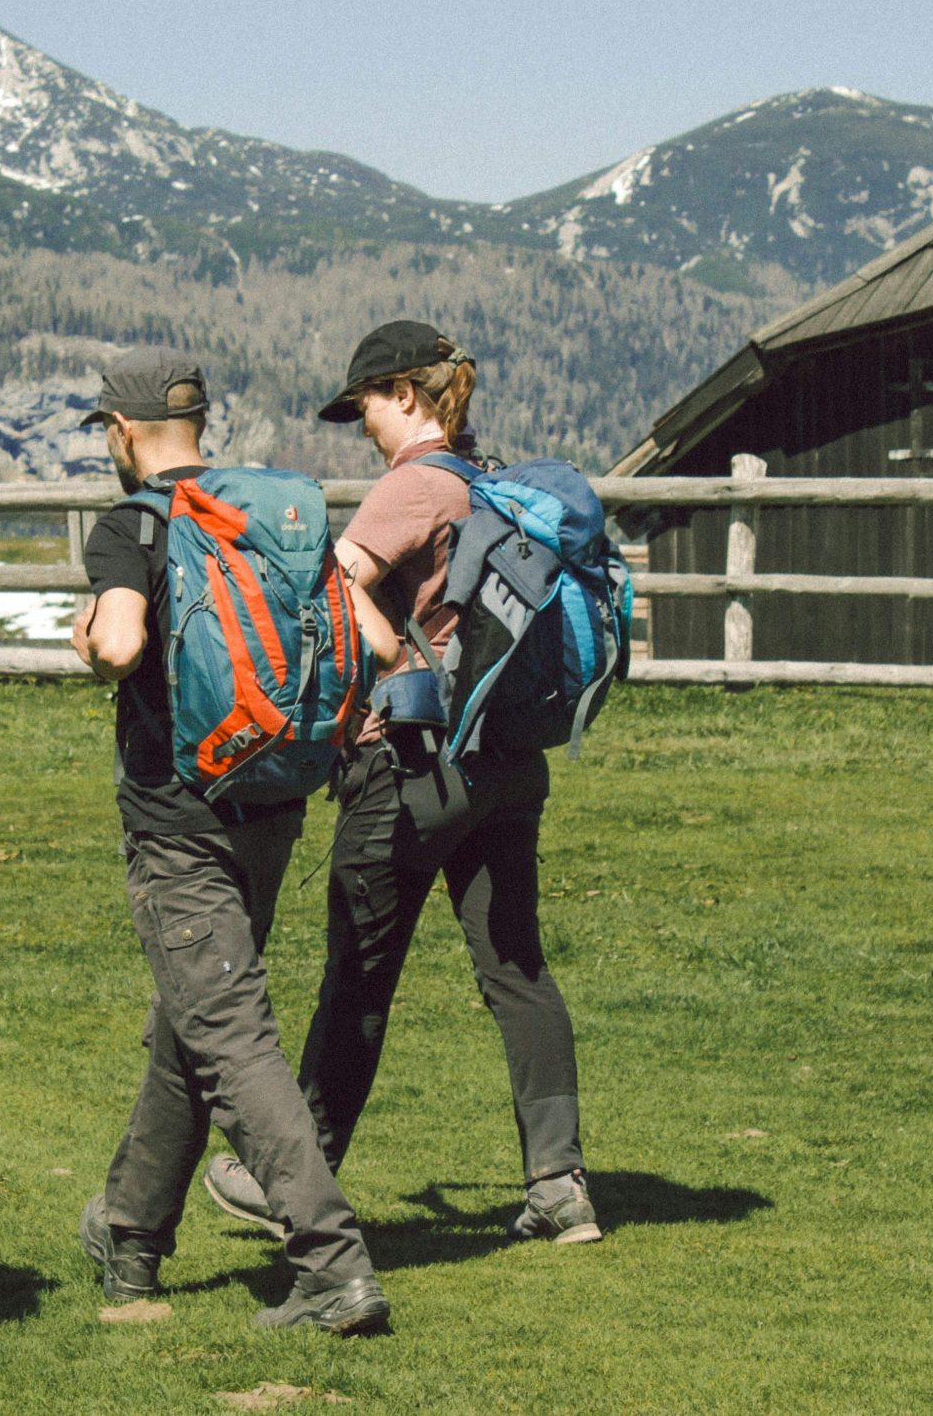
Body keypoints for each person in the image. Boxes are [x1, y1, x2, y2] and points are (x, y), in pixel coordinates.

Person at [205, 321, 602, 1244]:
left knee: (359, 973)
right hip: (508, 761)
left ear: (410, 398)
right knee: (516, 966)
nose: (366, 428)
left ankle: (287, 1179)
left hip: (414, 763)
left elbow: (329, 593)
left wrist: (363, 679)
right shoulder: (485, 483)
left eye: (370, 408)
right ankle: (561, 1182)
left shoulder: (410, 487)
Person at [70, 346, 392, 1336]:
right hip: (274, 797)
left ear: (123, 434)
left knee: (231, 1038)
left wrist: (87, 637)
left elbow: (121, 644)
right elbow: (377, 642)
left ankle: (332, 1267)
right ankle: (130, 1234)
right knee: (195, 1020)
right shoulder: (266, 513)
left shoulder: (133, 526)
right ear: (198, 424)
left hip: (179, 816)